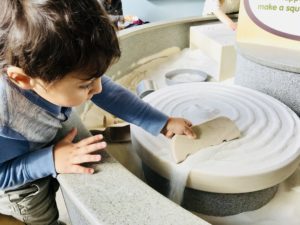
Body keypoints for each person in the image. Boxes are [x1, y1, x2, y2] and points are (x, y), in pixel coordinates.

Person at [0, 0, 196, 225]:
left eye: (98, 78)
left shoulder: (45, 72)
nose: (99, 88)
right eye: (86, 85)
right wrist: (50, 160)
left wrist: (162, 122)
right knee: (42, 217)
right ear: (23, 79)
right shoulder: (5, 121)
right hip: (20, 185)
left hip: (36, 137)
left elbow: (108, 93)